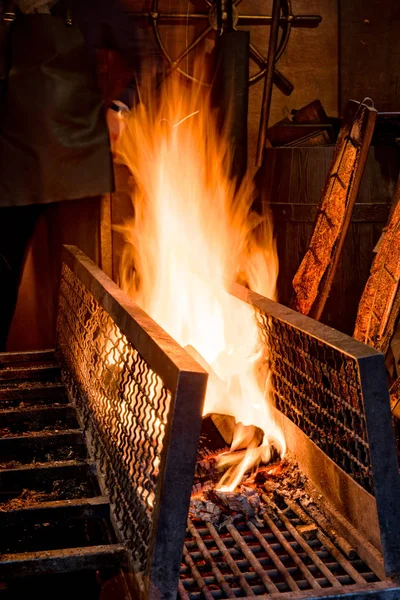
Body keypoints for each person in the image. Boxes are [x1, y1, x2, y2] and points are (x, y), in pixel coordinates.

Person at [0, 0, 163, 350]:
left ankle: (84, 366)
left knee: (80, 280)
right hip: (15, 164)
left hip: (77, 164)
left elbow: (145, 59)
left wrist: (119, 109)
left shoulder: (92, 8)